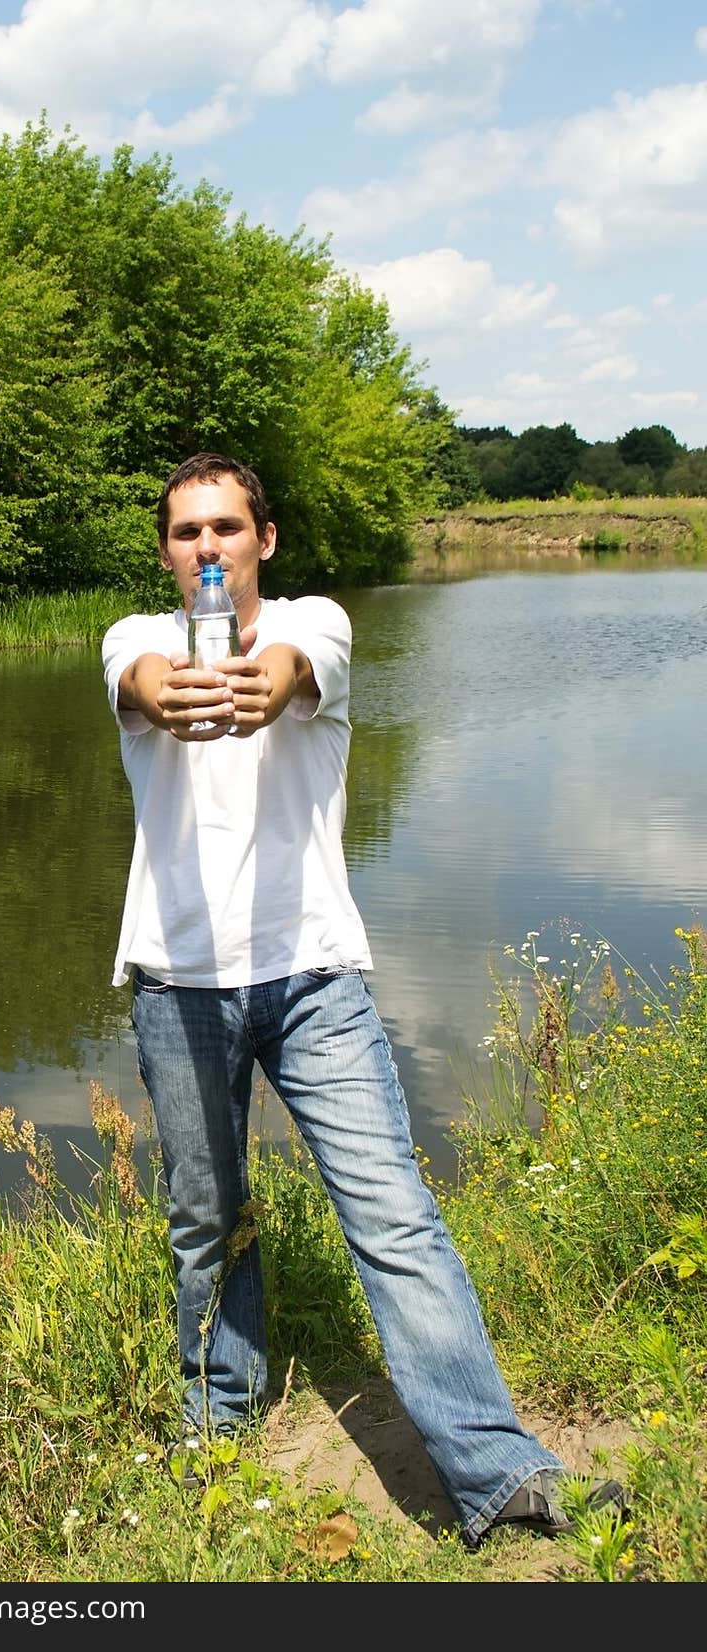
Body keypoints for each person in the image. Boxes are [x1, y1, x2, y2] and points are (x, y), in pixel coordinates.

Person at [101, 452, 628, 1550]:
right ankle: (217, 1432)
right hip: (178, 986)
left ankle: (494, 1467)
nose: (209, 548)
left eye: (228, 528)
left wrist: (268, 680)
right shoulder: (130, 639)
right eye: (188, 532)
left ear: (265, 539)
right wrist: (172, 687)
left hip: (312, 981)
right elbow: (139, 684)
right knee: (206, 1222)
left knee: (391, 1213)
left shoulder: (318, 623)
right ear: (166, 550)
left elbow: (298, 663)